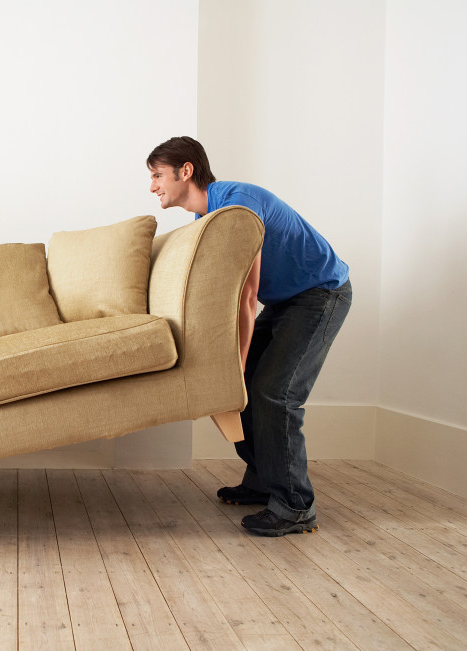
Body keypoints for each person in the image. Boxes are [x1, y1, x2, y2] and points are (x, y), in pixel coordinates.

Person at [147, 136, 351, 536]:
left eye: (157, 175)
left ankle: (295, 506)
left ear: (185, 171)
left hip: (320, 294)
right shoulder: (206, 219)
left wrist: (237, 361)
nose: (153, 186)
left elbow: (247, 293)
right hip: (287, 302)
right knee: (242, 391)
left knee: (274, 393)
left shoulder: (236, 203)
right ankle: (263, 481)